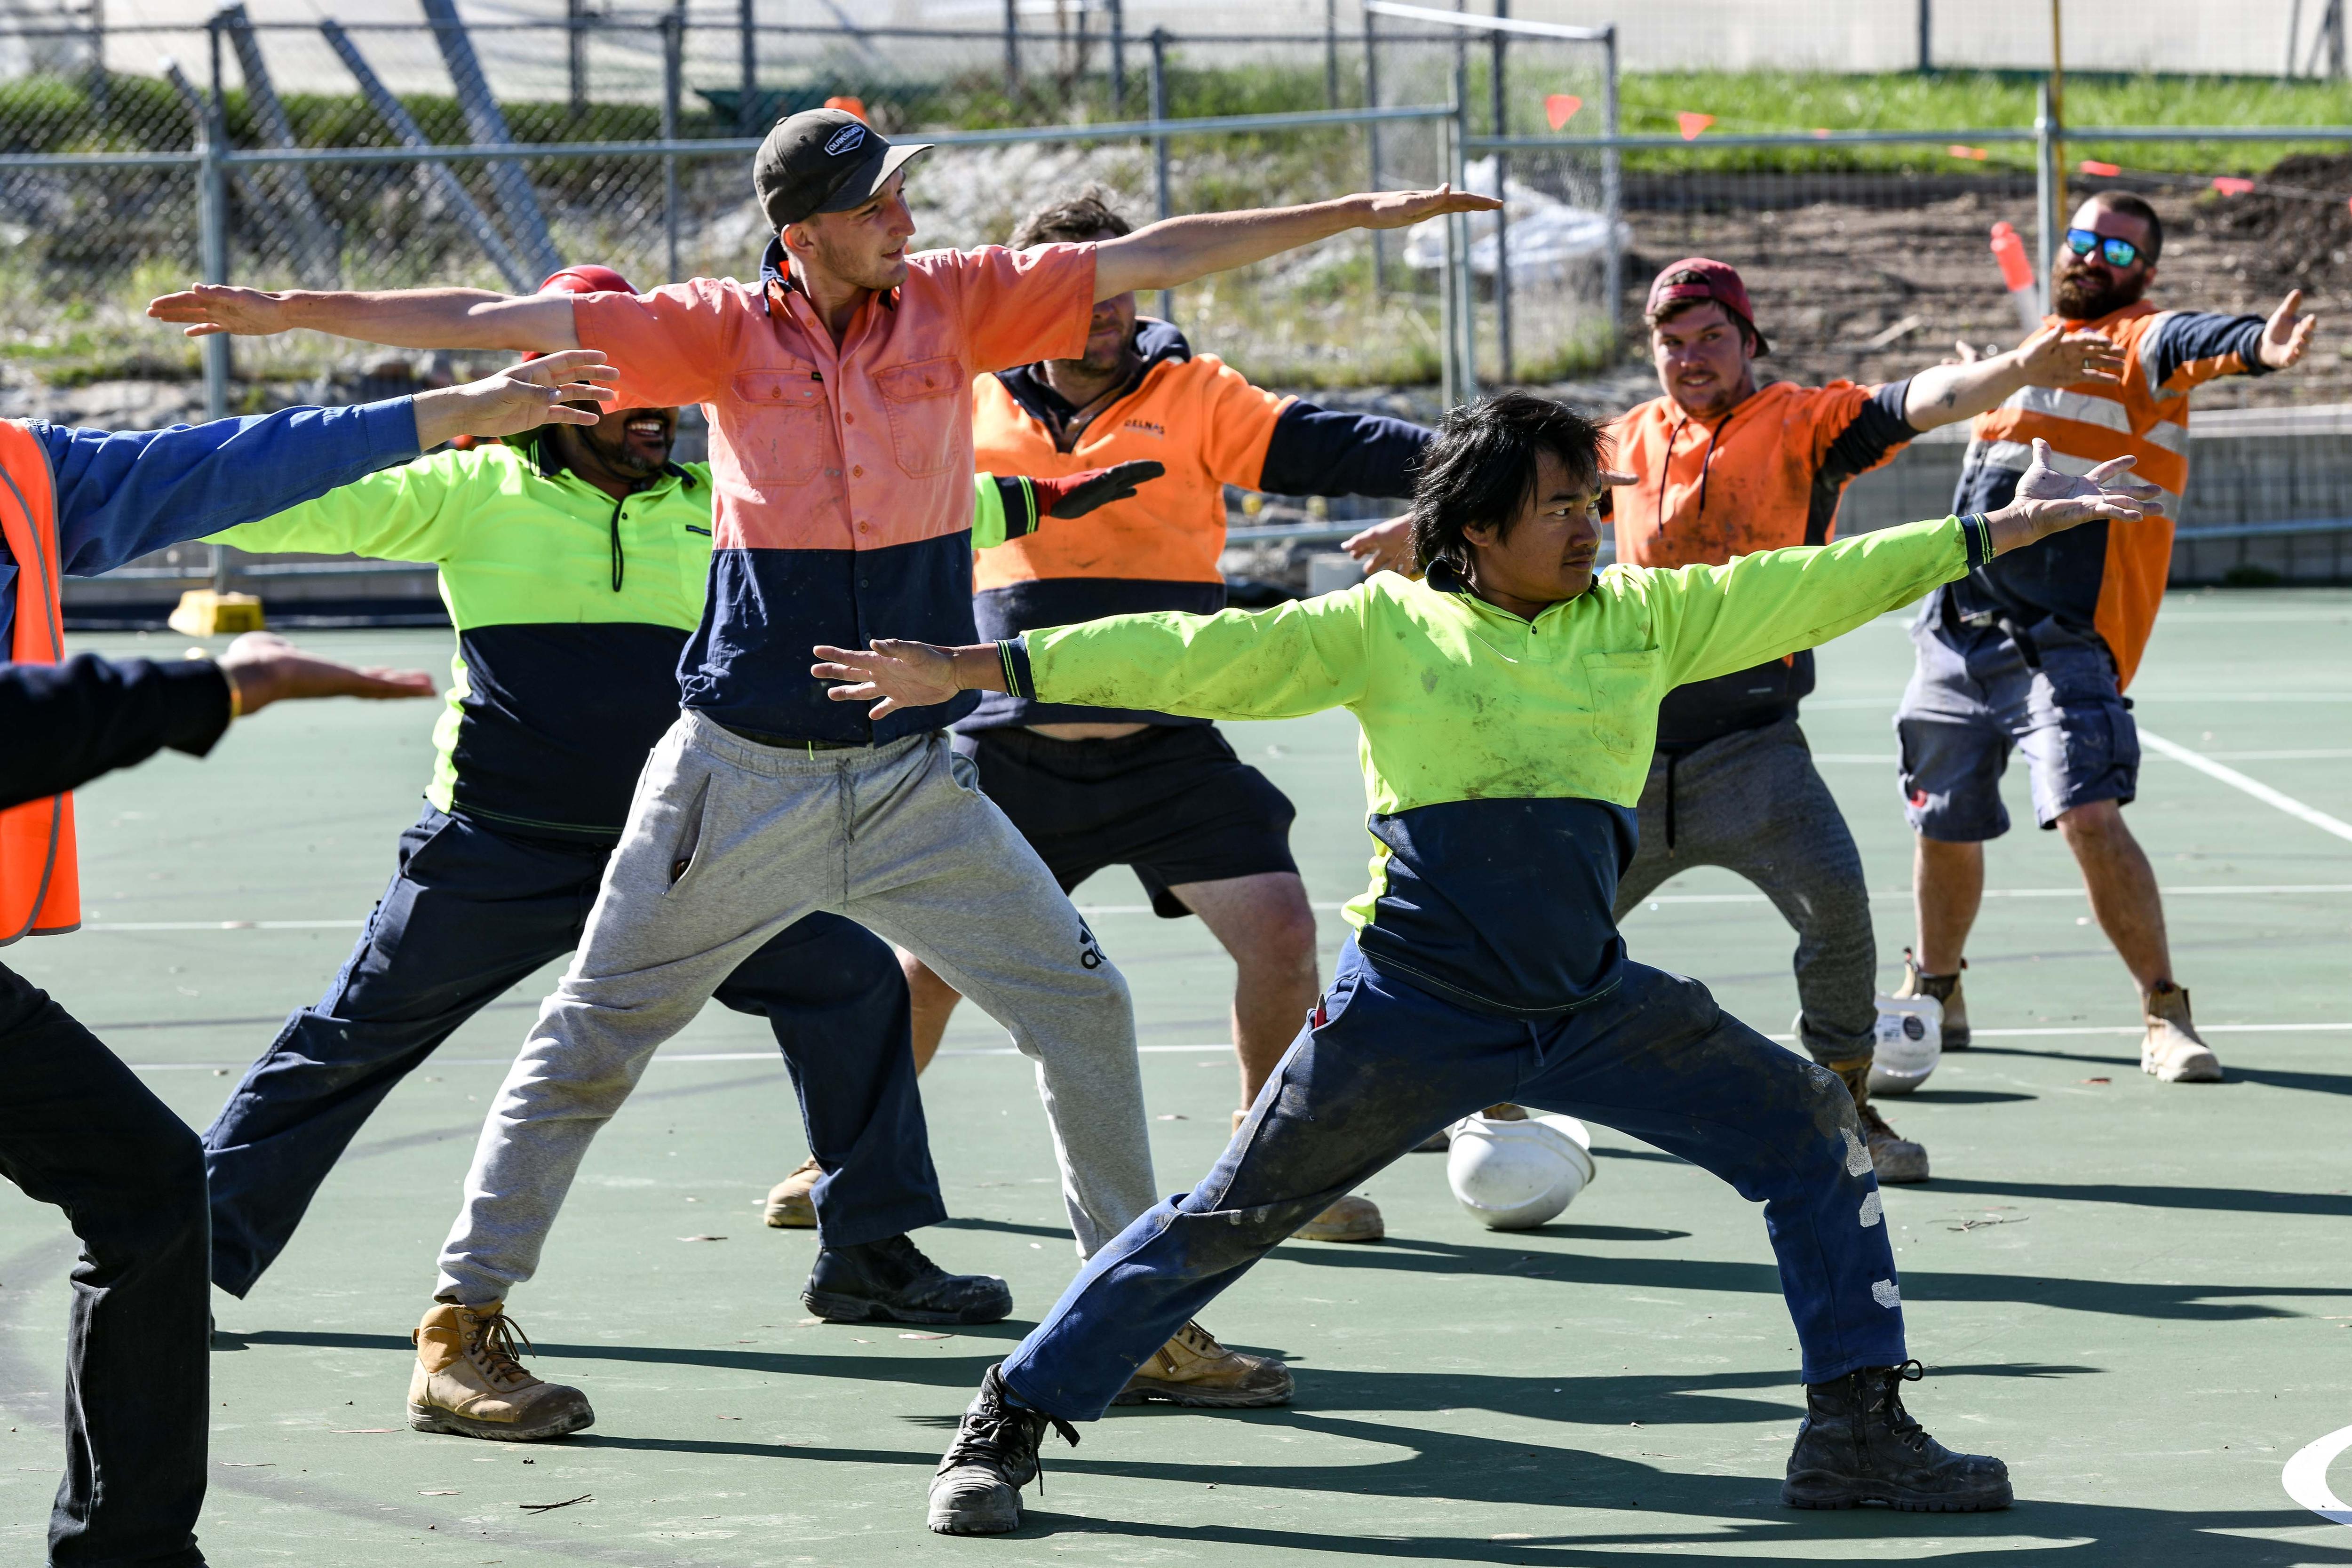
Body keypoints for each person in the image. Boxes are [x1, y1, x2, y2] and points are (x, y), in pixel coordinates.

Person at [148, 106, 1497, 1414]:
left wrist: (1360, 214)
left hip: (915, 779)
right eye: (875, 203)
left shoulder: (957, 303)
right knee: (596, 1037)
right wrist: (290, 311)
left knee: (1081, 1008)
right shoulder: (719, 333)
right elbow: (494, 324)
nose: (904, 220)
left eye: (904, 196)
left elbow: (1160, 257)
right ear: (803, 230)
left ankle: (1127, 1317)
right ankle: (463, 1322)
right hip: (742, 776)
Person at [810, 395, 2163, 1533]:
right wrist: (980, 663)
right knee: (1228, 1213)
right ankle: (1011, 1417)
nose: (1591, 522)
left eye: (1594, 499)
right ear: (1474, 532)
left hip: (1589, 1008)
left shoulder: (1642, 618)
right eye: (1562, 503)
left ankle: (1859, 1430)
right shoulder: (1386, 626)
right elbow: (1193, 651)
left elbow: (1817, 579)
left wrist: (1997, 526)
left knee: (1811, 1127)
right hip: (1408, 1012)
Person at [193, 266, 1163, 1440]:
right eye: (615, 393)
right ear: (548, 396)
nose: (649, 412)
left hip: (700, 845)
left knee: (852, 987)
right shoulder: (465, 494)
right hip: (500, 850)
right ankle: (184, 1249)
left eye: (658, 396)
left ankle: (867, 1253)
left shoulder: (716, 502)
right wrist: (142, 488)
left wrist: (1054, 501)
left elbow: (919, 506)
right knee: (355, 1035)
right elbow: (284, 501)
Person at [0, 359, 609, 1567]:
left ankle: (131, 1549)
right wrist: (205, 689)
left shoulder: (23, 467)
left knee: (151, 1187)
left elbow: (219, 464)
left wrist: (454, 408)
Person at [1344, 257, 2123, 1184]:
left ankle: (1845, 1109)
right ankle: (1449, 1088)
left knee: (1835, 906)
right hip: (1610, 752)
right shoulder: (1616, 441)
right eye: (1670, 342)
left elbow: (1920, 399)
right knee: (1516, 932)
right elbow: (1497, 489)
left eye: (1710, 336)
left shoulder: (1807, 423)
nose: (1690, 356)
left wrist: (2009, 373)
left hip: (1753, 750)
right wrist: (1422, 528)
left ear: (1750, 339)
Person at [765, 185, 1431, 1249]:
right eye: (1079, 286)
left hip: (1168, 748)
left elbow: (1339, 444)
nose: (1103, 305)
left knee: (1279, 932)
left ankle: (1268, 1165)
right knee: (928, 963)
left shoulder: (1200, 396)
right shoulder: (959, 391)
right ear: (1027, 299)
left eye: (1119, 282)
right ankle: (842, 1159)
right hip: (1005, 741)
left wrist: (1471, 473)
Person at [1894, 191, 2318, 1081]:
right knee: (1943, 823)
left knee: (2090, 812)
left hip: (2067, 636)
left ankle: (2165, 1012)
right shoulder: (2030, 355)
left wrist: (2258, 349)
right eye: (2083, 240)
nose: (2094, 256)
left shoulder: (2142, 345)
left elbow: (2195, 341)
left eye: (2118, 250)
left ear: (2145, 274)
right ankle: (1937, 991)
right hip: (1960, 626)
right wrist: (1994, 373)